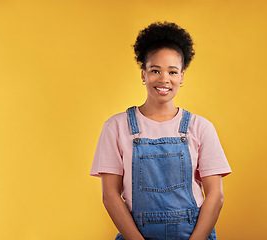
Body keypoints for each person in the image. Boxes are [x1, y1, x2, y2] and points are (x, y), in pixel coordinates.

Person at [90, 21, 232, 240]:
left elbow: (216, 196)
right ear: (143, 74)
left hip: (193, 235)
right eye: (155, 70)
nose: (164, 79)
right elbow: (110, 195)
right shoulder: (115, 127)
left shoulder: (201, 127)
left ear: (182, 77)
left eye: (172, 72)